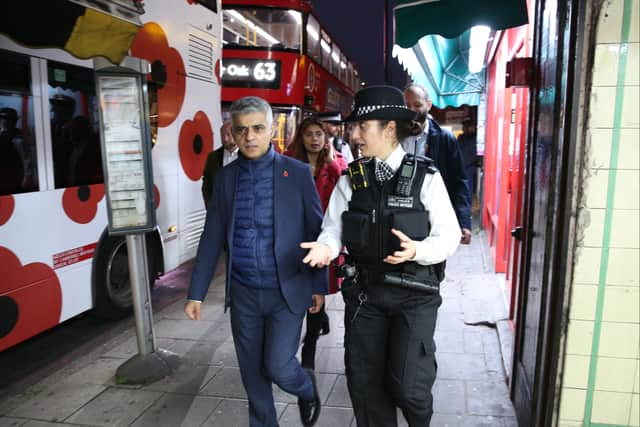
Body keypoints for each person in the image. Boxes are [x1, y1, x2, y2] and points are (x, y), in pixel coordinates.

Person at [301, 86, 460, 426]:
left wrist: (419, 250)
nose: (354, 134)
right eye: (353, 126)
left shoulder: (427, 178)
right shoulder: (350, 181)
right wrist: (325, 248)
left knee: (408, 387)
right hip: (365, 297)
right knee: (365, 386)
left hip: (415, 297)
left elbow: (448, 236)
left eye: (363, 126)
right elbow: (333, 230)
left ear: (389, 128)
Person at [185, 96, 326, 427]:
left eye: (258, 128)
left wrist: (318, 287)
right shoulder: (226, 177)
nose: (249, 137)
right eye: (241, 130)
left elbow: (317, 231)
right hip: (245, 293)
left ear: (271, 129)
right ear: (232, 133)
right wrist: (196, 292)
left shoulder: (299, 173)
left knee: (278, 366)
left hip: (287, 290)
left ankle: (305, 387)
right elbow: (212, 235)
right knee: (252, 373)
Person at [285, 117, 346, 370]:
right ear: (301, 137)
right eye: (309, 134)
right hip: (295, 239)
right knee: (299, 290)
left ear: (326, 138)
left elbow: (345, 187)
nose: (314, 139)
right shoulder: (288, 163)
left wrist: (331, 161)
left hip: (326, 238)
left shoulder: (337, 162)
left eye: (319, 134)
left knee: (317, 289)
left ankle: (309, 351)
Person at [401, 83, 472, 244]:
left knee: (431, 266)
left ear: (428, 105)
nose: (412, 110)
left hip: (433, 219)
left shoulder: (445, 139)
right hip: (399, 215)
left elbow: (459, 182)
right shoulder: (394, 137)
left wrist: (463, 222)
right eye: (407, 105)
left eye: (417, 105)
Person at [201, 121, 238, 206]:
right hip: (218, 209)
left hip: (241, 211)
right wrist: (210, 205)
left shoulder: (247, 156)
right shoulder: (212, 157)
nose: (225, 139)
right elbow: (207, 182)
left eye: (228, 135)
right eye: (222, 135)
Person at [457, 119, 478, 203]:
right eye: (464, 127)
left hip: (470, 166)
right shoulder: (461, 138)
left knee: (468, 189)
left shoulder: (475, 139)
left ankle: (467, 205)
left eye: (466, 127)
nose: (464, 129)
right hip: (462, 166)